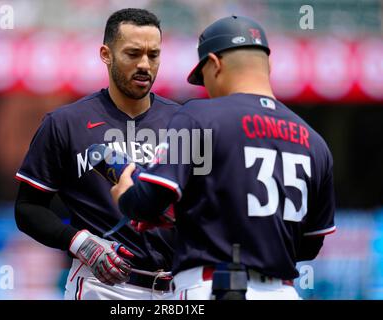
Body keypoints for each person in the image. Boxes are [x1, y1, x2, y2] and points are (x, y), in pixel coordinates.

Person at [111, 15, 336, 300]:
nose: (205, 86)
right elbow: (308, 247)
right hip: (284, 292)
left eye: (203, 76)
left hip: (211, 287)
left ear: (215, 64)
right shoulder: (314, 141)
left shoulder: (199, 115)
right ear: (268, 64)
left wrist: (126, 194)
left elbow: (146, 203)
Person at [14, 8, 180, 300]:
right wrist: (78, 241)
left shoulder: (183, 122)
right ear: (106, 54)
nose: (145, 64)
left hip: (175, 288)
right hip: (102, 287)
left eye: (153, 55)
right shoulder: (66, 123)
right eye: (133, 53)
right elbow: (28, 208)